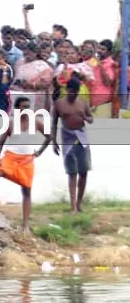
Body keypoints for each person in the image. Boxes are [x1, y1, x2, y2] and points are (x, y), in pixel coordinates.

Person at [0, 97, 52, 231]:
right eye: (23, 107)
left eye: (28, 106)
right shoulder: (11, 123)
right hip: (10, 158)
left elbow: (49, 137)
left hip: (26, 161)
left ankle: (25, 225)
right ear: (17, 109)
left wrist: (39, 152)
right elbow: (0, 142)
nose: (26, 109)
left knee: (26, 191)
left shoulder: (35, 122)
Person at [55, 77, 93, 214]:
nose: (73, 94)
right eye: (71, 91)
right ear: (66, 90)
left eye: (75, 92)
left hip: (82, 140)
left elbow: (91, 119)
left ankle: (79, 204)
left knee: (84, 172)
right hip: (68, 140)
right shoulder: (59, 104)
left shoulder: (82, 103)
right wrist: (53, 142)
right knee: (72, 173)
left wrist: (86, 117)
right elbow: (53, 123)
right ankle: (73, 207)